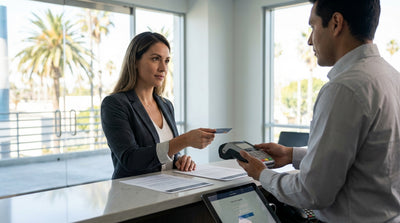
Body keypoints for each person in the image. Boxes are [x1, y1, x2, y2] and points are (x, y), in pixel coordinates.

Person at [238, 0, 400, 222]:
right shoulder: (392, 78)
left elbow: (312, 192)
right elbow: (366, 159)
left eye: (313, 27)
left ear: (336, 23)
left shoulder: (344, 88)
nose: (309, 40)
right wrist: (291, 155)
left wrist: (262, 174)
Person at [101, 32, 216, 179]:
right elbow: (130, 159)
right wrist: (184, 141)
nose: (163, 68)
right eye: (156, 59)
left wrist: (179, 160)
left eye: (167, 61)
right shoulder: (115, 104)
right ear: (135, 61)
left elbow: (166, 153)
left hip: (166, 192)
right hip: (132, 196)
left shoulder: (166, 105)